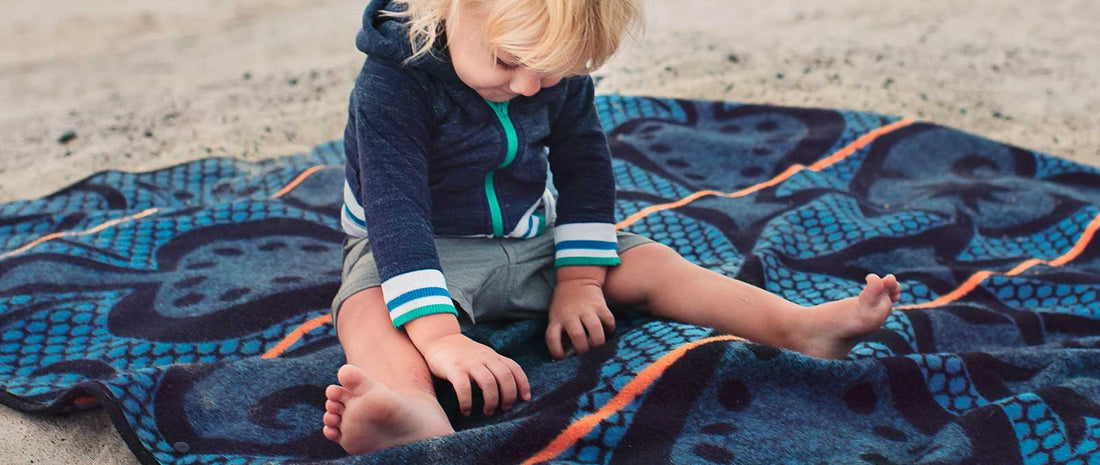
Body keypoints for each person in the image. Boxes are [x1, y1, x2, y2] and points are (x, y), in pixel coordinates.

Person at [321, 0, 902, 454]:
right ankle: (414, 414)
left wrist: (580, 280)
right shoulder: (391, 85)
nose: (528, 87)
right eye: (507, 62)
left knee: (653, 263)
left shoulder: (549, 64)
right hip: (415, 251)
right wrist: (440, 336)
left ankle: (799, 329)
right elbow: (396, 212)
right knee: (367, 313)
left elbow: (583, 165)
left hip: (529, 238)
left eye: (551, 75)